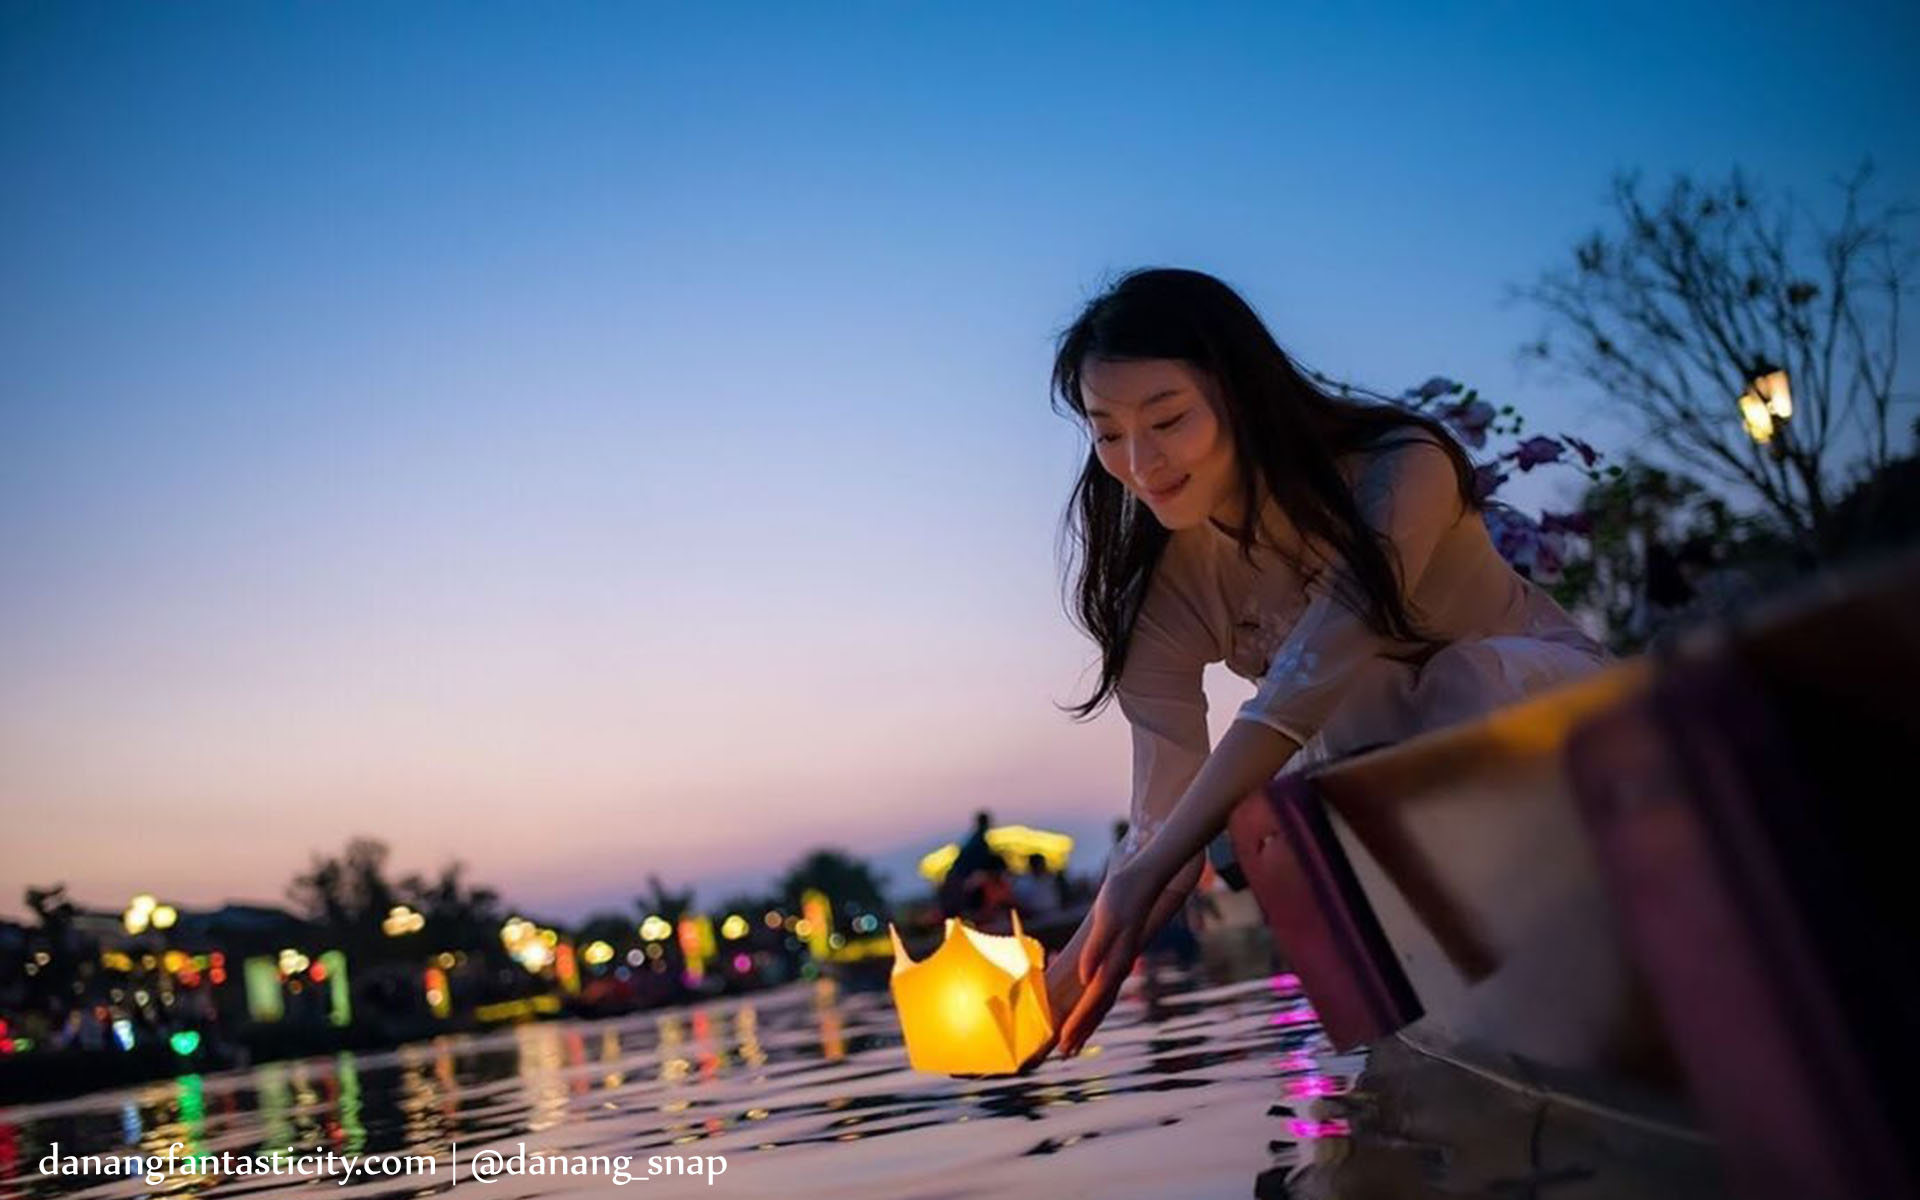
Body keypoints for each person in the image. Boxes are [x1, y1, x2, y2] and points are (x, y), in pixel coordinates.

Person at [1036, 268, 1609, 1060]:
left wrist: (1146, 873)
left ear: (1238, 393)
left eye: (1167, 420)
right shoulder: (1163, 594)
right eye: (1107, 433)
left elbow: (1306, 683)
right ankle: (1448, 1011)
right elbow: (1163, 823)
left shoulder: (1397, 467)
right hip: (1401, 795)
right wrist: (1068, 974)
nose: (1140, 463)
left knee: (1401, 689)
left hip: (1562, 737)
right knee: (1295, 784)